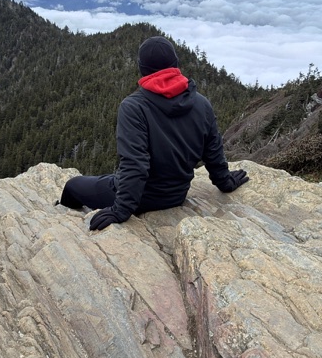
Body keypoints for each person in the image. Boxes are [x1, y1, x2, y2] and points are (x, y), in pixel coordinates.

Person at [59, 35, 249, 231]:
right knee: (108, 177)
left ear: (142, 69)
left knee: (73, 185)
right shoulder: (202, 103)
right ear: (175, 65)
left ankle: (61, 217)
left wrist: (121, 209)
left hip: (141, 198)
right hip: (177, 196)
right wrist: (225, 182)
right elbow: (213, 152)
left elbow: (136, 164)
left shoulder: (134, 107)